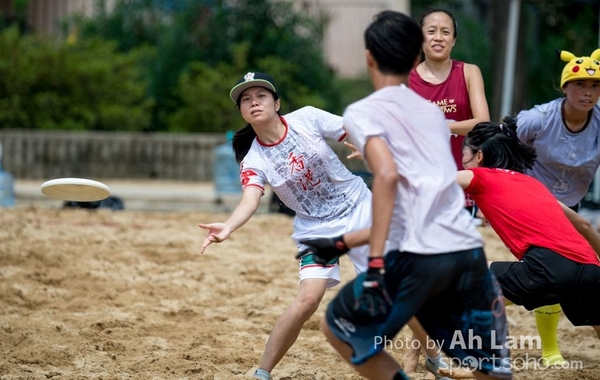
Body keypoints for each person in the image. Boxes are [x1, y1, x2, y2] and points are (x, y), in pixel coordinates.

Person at [298, 11, 512, 380]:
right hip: (465, 248)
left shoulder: (362, 112)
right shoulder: (431, 113)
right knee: (491, 367)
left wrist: (372, 257)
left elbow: (388, 176)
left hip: (418, 255)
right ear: (416, 56)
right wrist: (346, 241)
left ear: (369, 57)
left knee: (340, 329)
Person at [197, 71, 373, 380]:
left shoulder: (307, 118)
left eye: (261, 96)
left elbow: (351, 131)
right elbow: (250, 200)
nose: (254, 103)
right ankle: (262, 372)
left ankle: (432, 358)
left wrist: (365, 144)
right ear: (241, 112)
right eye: (246, 100)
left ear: (276, 102)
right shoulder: (253, 160)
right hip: (316, 229)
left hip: (359, 208)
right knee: (307, 300)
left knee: (388, 284)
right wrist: (228, 227)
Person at [456, 118, 600, 354]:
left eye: (465, 155)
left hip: (549, 266)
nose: (463, 162)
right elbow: (584, 224)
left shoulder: (479, 176)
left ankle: (488, 362)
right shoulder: (532, 183)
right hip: (590, 267)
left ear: (479, 156)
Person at [515, 48, 600, 365]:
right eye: (579, 84)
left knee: (576, 275)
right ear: (564, 87)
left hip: (570, 205)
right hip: (529, 205)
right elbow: (497, 143)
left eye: (594, 86)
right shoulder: (538, 119)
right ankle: (550, 351)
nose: (588, 92)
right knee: (556, 271)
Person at [409, 8, 489, 215]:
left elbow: (483, 124)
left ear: (454, 40)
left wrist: (442, 126)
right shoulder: (406, 81)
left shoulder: (469, 72)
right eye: (431, 31)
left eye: (445, 32)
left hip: (462, 188)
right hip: (420, 188)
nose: (438, 38)